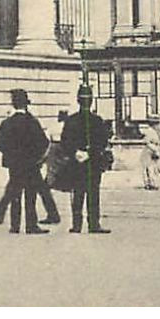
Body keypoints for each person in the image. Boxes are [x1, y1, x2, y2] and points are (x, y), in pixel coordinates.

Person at [0, 88, 50, 234]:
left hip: (15, 165)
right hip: (31, 164)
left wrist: (11, 153)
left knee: (15, 194)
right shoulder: (32, 122)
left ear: (13, 104)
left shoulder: (7, 123)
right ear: (26, 104)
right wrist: (35, 156)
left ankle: (15, 225)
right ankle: (31, 225)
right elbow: (43, 142)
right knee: (31, 195)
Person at [59, 84, 113, 234]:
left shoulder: (71, 121)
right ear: (92, 101)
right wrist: (91, 153)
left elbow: (64, 141)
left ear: (78, 100)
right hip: (93, 162)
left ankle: (76, 225)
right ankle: (93, 224)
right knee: (93, 193)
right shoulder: (97, 120)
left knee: (77, 193)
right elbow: (102, 141)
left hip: (76, 162)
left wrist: (75, 152)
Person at [140, 118, 160, 189]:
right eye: (155, 124)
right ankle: (149, 183)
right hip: (149, 150)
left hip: (157, 149)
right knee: (149, 167)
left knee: (159, 167)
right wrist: (154, 149)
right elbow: (147, 142)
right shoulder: (149, 131)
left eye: (157, 123)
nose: (157, 125)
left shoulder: (158, 132)